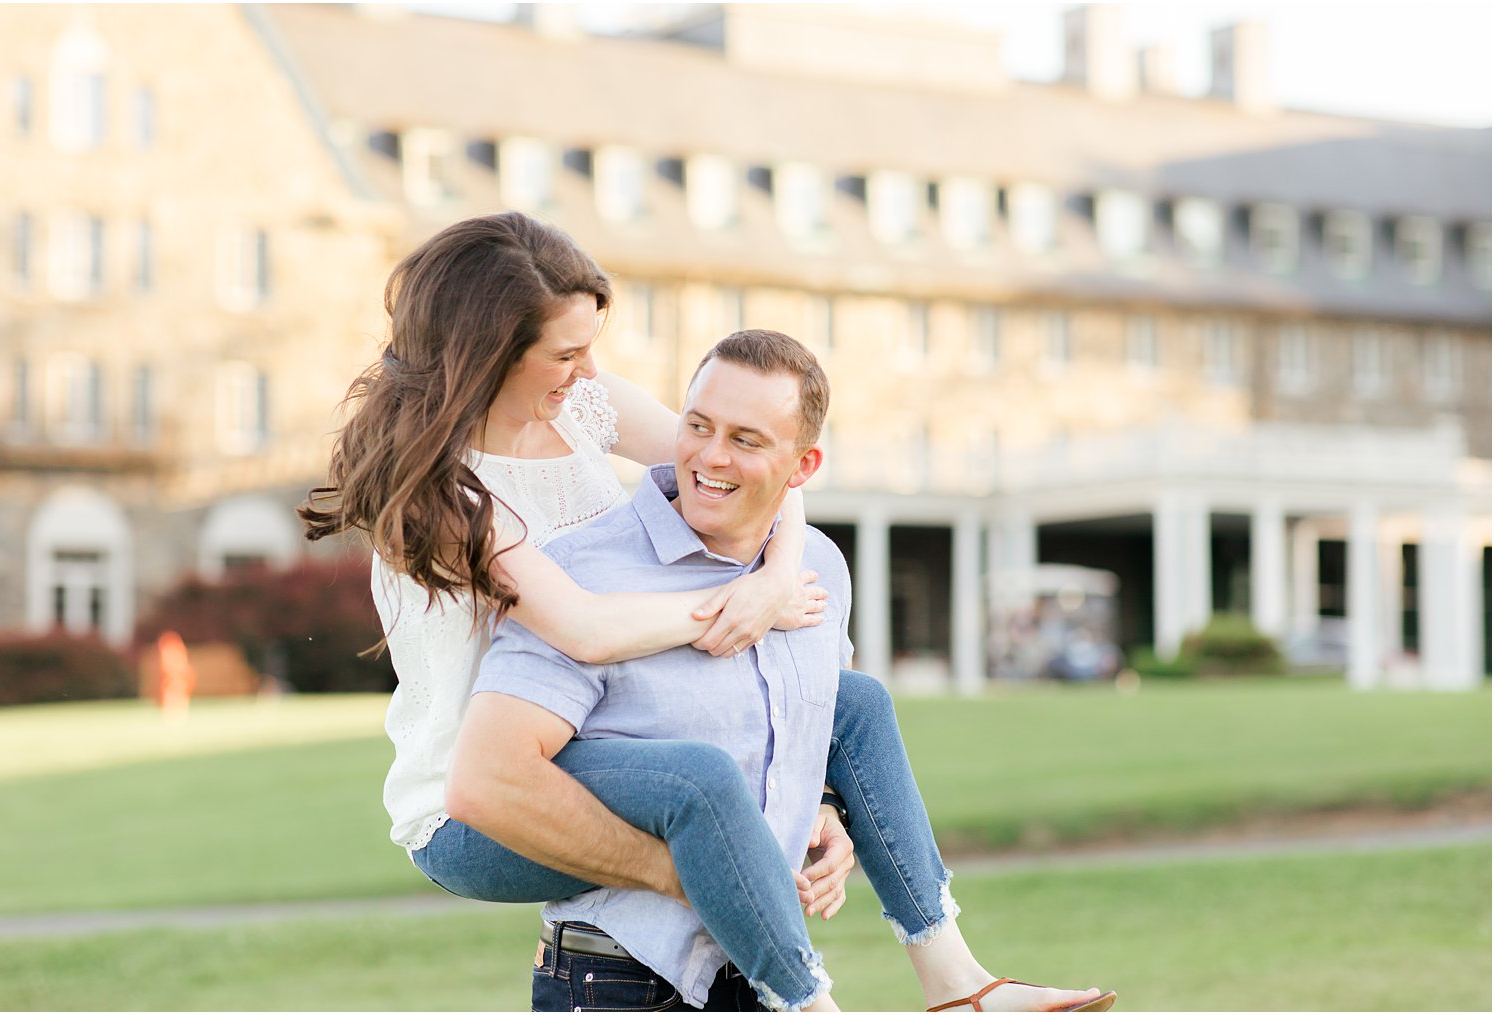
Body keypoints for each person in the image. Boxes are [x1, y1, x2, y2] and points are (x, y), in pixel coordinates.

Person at [300, 214, 1114, 1012]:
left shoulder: (586, 404)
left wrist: (775, 584)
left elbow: (752, 470)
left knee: (854, 702)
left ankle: (956, 980)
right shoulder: (444, 498)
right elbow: (582, 626)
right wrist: (729, 608)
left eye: (591, 346)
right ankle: (809, 1003)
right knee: (697, 786)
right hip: (479, 798)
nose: (586, 370)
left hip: (605, 733)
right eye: (565, 352)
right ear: (487, 357)